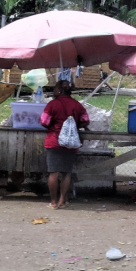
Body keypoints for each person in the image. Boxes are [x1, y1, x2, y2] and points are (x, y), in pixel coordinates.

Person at [40, 80, 90, 209]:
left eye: (55, 88)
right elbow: (85, 120)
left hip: (54, 141)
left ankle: (53, 202)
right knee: (66, 173)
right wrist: (74, 126)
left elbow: (44, 121)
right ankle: (63, 200)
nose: (54, 91)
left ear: (60, 90)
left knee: (54, 173)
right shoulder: (77, 105)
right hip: (71, 143)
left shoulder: (52, 104)